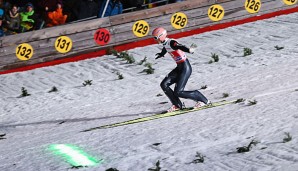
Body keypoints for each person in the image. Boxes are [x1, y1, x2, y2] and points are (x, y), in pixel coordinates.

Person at [152, 27, 210, 112]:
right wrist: (162, 54)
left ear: (161, 36)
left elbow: (179, 46)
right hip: (179, 67)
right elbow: (166, 47)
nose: (155, 40)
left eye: (155, 38)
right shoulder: (166, 43)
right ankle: (177, 105)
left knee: (179, 92)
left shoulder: (171, 42)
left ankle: (203, 100)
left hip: (185, 68)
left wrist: (189, 50)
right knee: (164, 84)